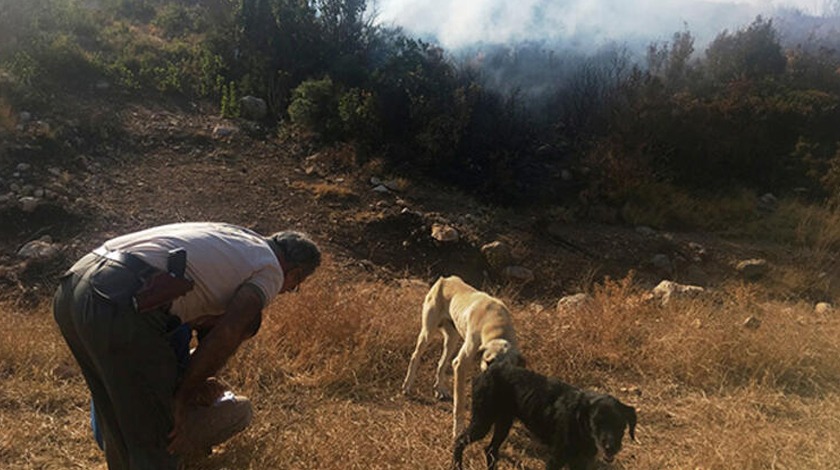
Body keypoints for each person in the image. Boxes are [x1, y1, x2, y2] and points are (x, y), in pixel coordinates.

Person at [53, 222, 321, 469]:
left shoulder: (235, 235)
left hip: (75, 286)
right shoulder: (271, 268)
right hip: (122, 300)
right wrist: (183, 396)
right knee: (159, 439)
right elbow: (230, 330)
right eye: (295, 285)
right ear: (295, 273)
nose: (288, 291)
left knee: (120, 433)